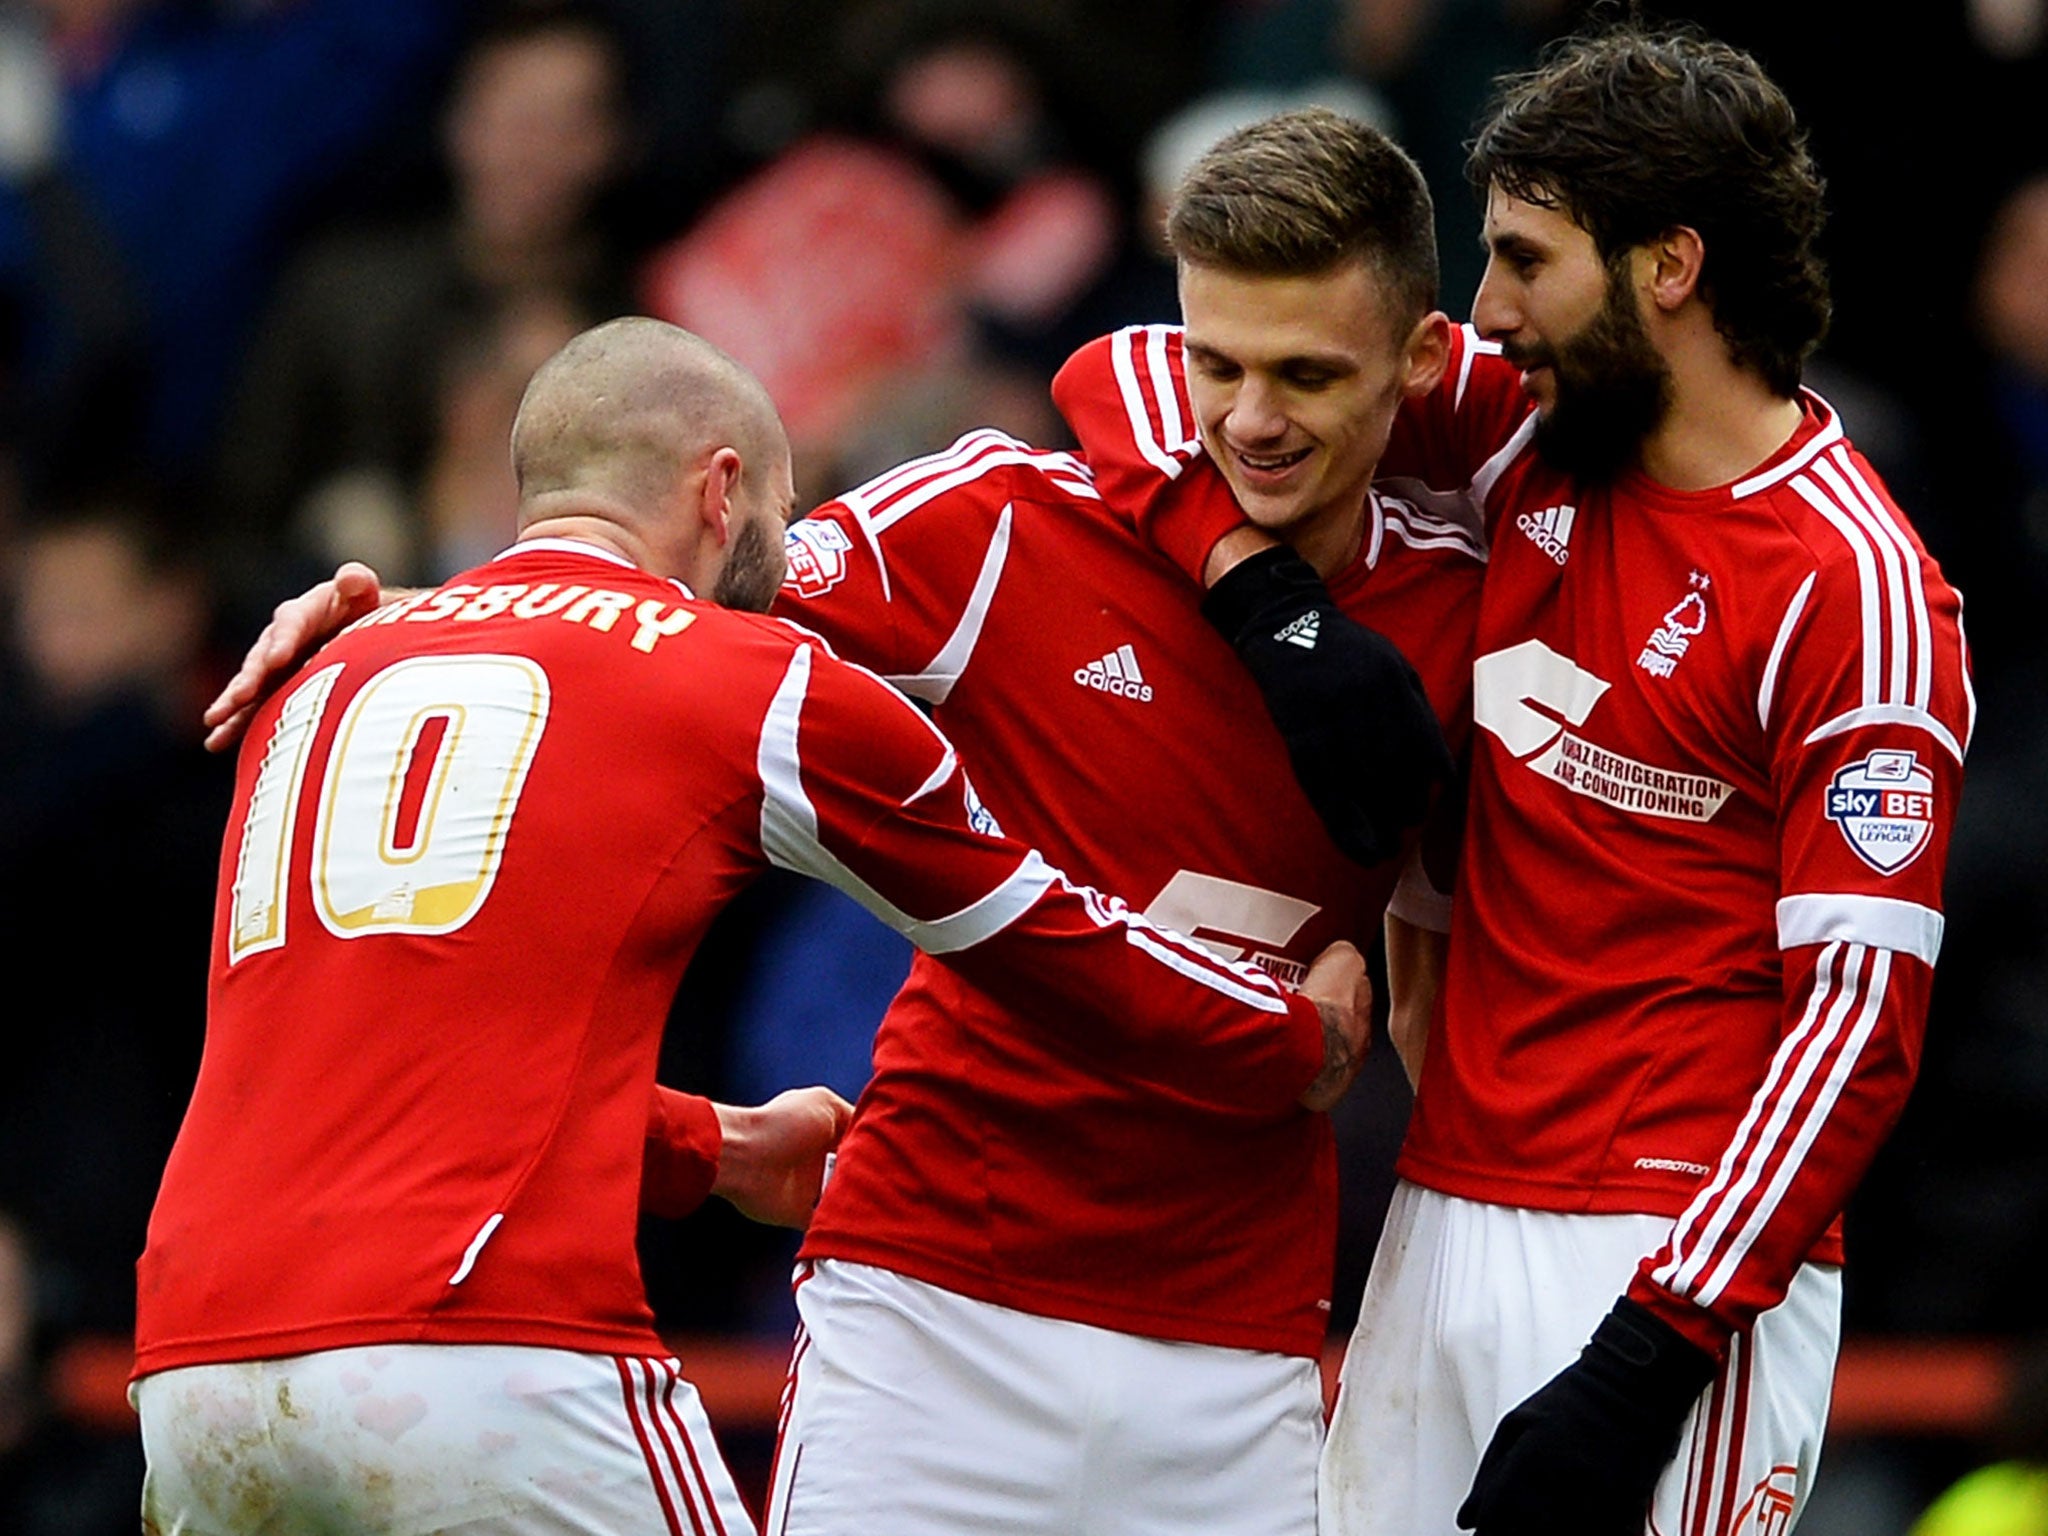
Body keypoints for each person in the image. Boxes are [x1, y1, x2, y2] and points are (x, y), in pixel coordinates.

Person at [196, 116, 1465, 1536]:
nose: (1248, 418)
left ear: (1418, 363)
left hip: (1244, 1341)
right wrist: (422, 620)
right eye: (1212, 365)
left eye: (1305, 375)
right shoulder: (996, 525)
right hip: (935, 1303)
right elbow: (662, 607)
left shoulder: (1467, 604)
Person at [1051, 25, 1972, 1536]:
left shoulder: (1852, 586)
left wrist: (1653, 1353)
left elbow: (1858, 1022)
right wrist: (1260, 602)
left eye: (1524, 259)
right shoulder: (1522, 440)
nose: (1485, 312)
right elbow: (1134, 375)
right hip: (1447, 1202)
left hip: (1665, 1257)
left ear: (1668, 267)